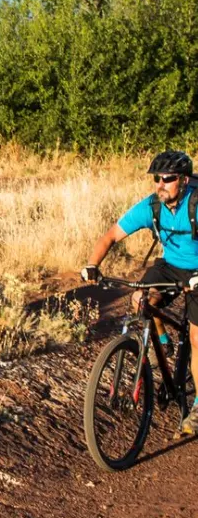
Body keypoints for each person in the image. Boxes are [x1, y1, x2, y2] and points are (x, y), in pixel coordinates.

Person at [81, 150, 198, 436]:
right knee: (140, 299)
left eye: (167, 179)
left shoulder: (196, 204)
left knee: (197, 338)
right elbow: (111, 236)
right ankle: (161, 344)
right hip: (170, 266)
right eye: (157, 179)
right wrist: (92, 265)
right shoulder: (151, 207)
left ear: (183, 180)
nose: (160, 184)